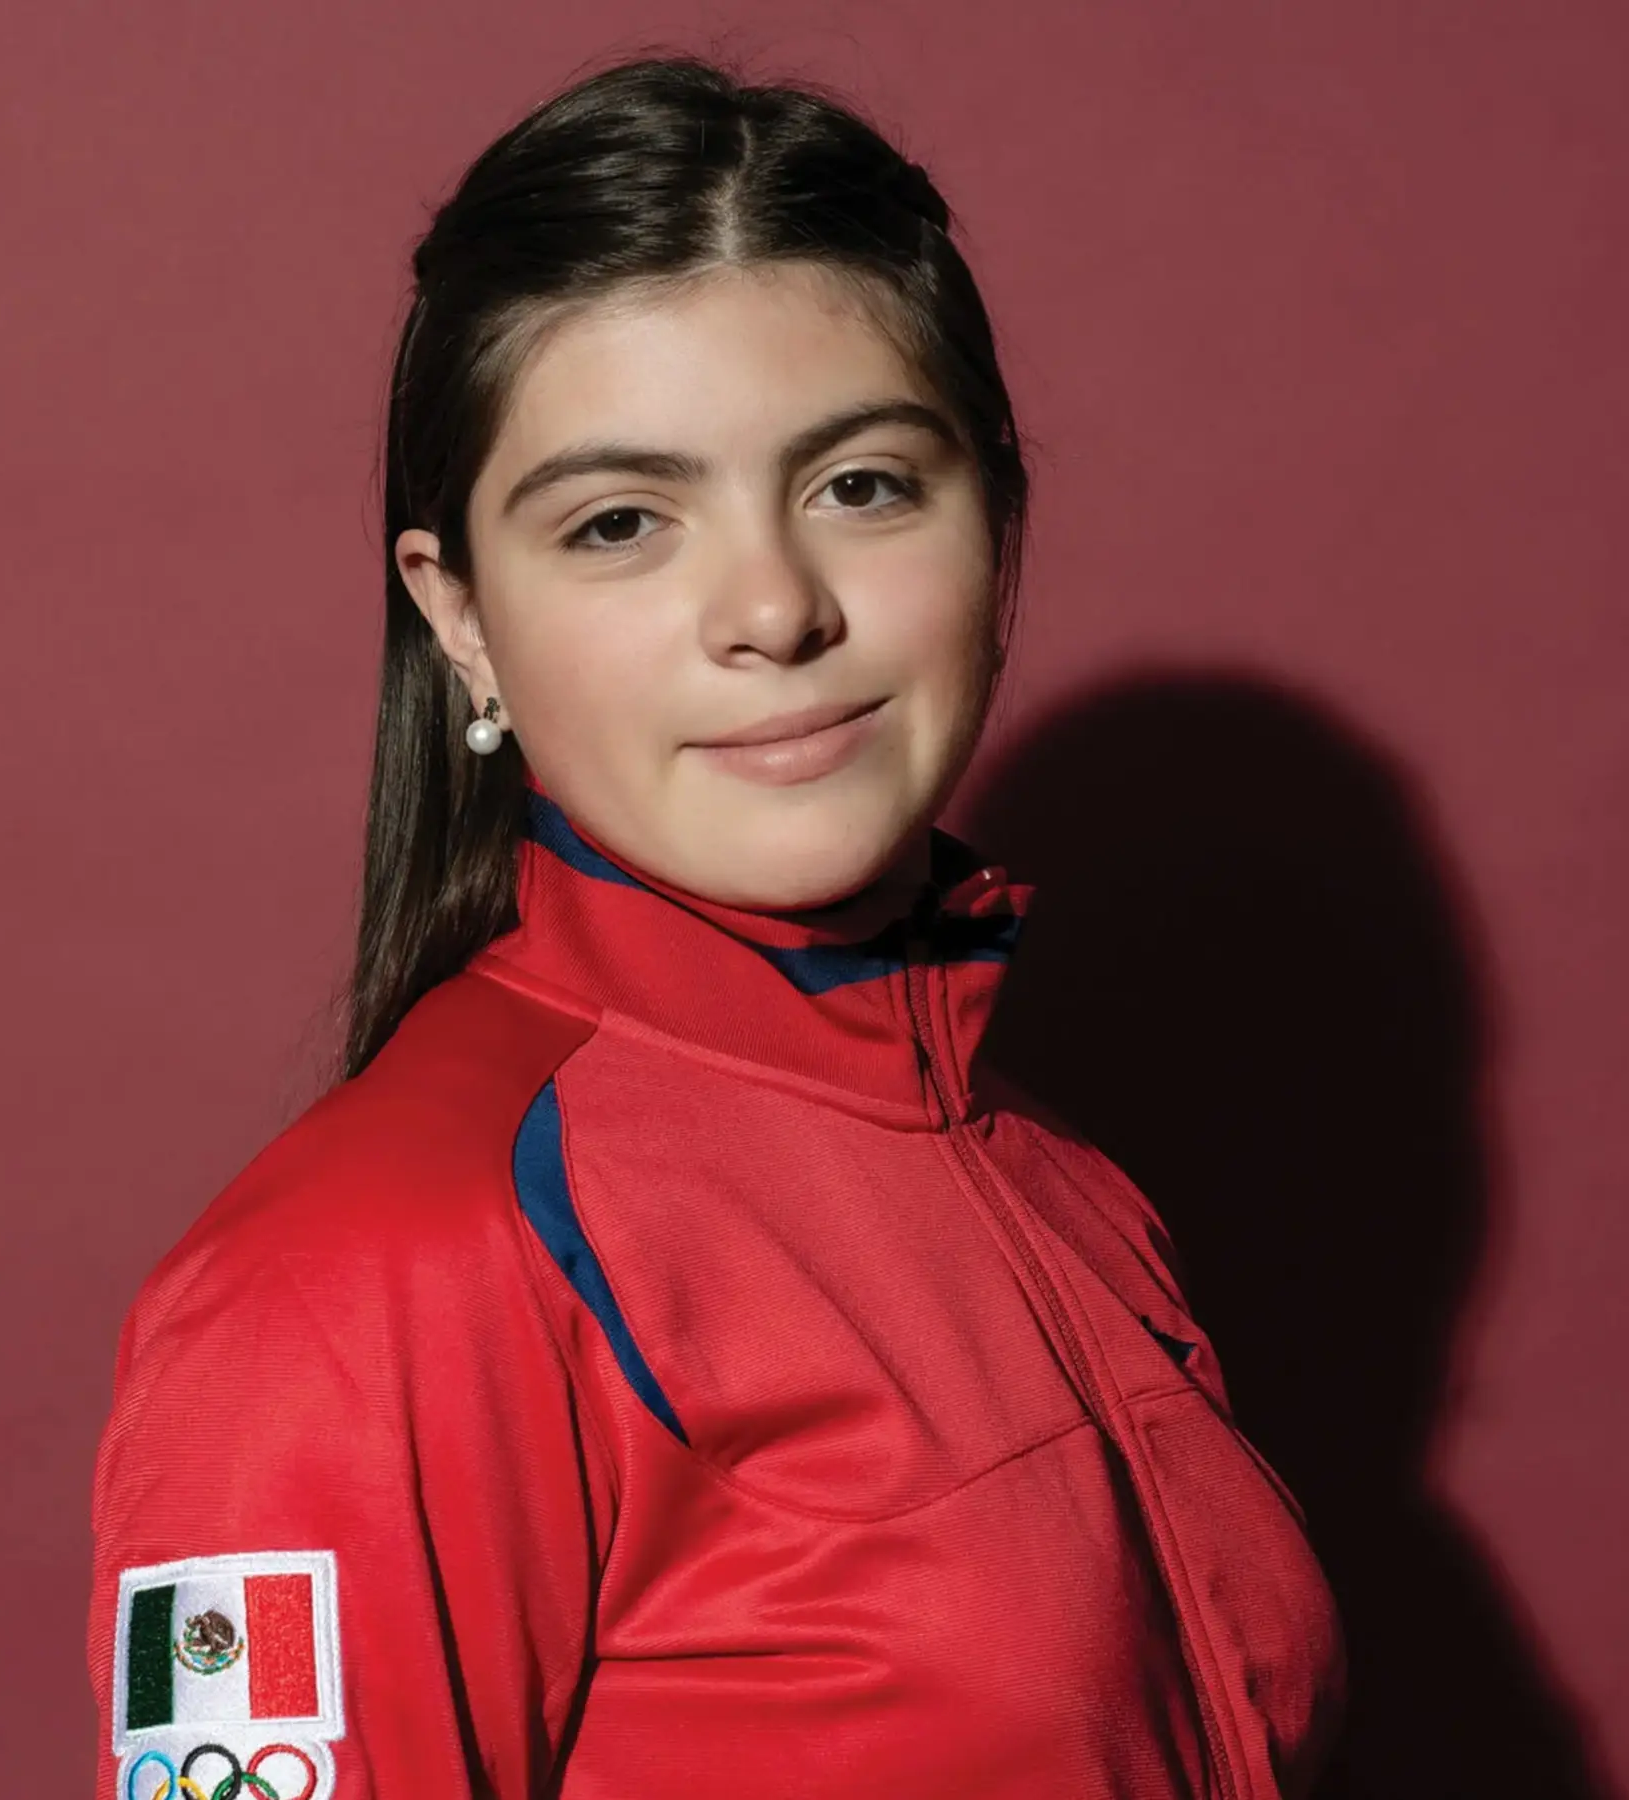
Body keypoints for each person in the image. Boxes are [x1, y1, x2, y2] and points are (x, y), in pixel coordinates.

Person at [87, 56, 1343, 1800]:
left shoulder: (1054, 1174)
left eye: (863, 485)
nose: (771, 607)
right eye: (621, 523)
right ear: (460, 619)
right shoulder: (357, 1282)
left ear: (999, 518)